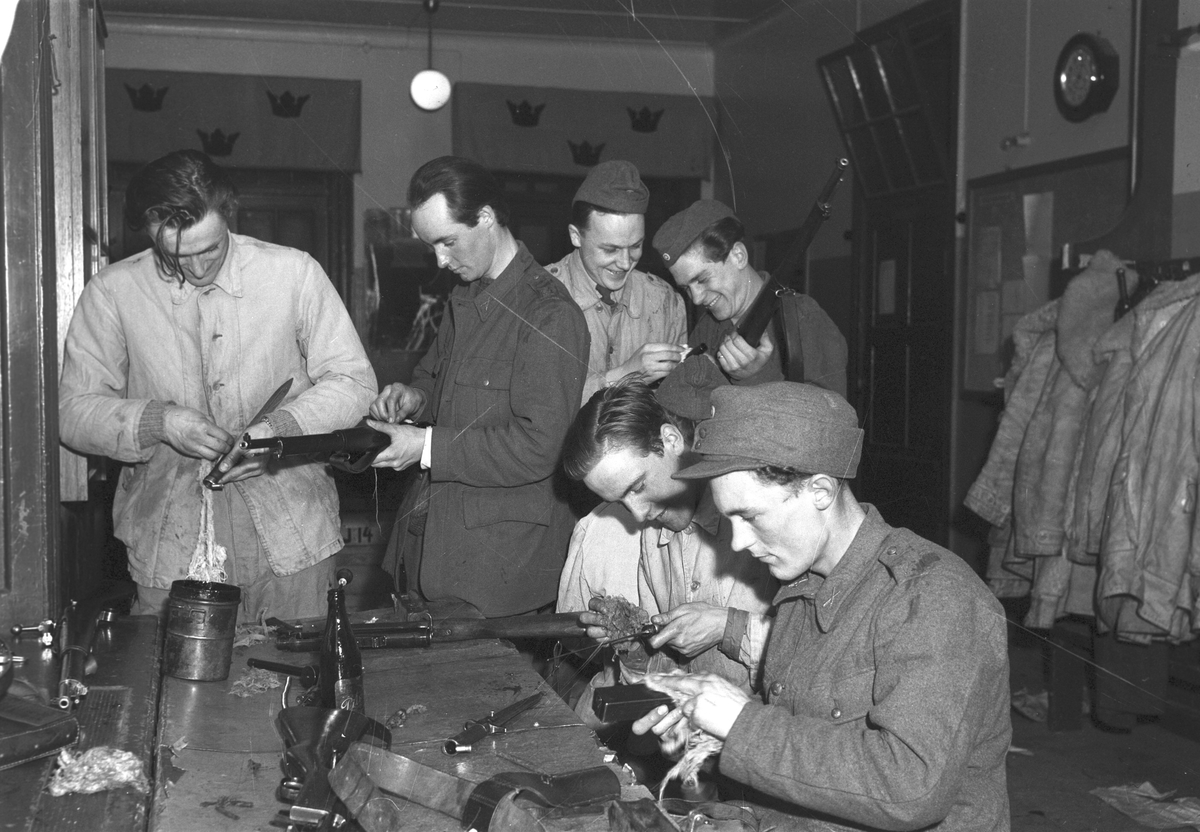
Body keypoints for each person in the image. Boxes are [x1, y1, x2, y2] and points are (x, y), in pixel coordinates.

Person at [635, 382, 1011, 831]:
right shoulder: (802, 587)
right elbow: (808, 731)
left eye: (749, 516)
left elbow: (911, 788)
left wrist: (741, 724)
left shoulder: (935, 596)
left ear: (820, 491)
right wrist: (709, 729)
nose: (737, 543)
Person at [59, 149, 377, 622]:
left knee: (297, 662)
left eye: (209, 249)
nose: (196, 267)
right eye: (176, 256)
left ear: (229, 213)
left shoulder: (293, 273)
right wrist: (159, 422)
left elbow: (354, 381)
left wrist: (281, 431)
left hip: (292, 537)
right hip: (168, 545)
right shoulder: (113, 291)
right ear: (149, 229)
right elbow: (73, 413)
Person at [367, 156, 590, 617]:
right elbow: (434, 379)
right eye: (431, 245)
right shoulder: (466, 297)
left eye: (448, 241)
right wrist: (414, 398)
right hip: (434, 544)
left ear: (486, 217)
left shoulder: (549, 314)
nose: (440, 260)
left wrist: (425, 447)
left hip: (498, 571)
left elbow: (540, 446)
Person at [559, 362, 777, 710]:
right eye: (620, 502)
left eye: (637, 487)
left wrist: (728, 628)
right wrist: (634, 646)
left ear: (671, 440)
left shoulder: (759, 514)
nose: (638, 515)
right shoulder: (654, 537)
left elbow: (817, 655)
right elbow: (669, 678)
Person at [652, 200, 848, 395]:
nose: (696, 299)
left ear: (738, 256)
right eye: (686, 288)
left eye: (702, 279)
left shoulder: (802, 318)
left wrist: (757, 376)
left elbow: (832, 412)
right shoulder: (707, 326)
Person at [545, 160, 687, 404]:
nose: (625, 263)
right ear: (575, 236)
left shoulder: (666, 302)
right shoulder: (538, 297)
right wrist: (624, 376)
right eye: (610, 249)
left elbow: (677, 402)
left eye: (636, 246)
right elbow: (538, 406)